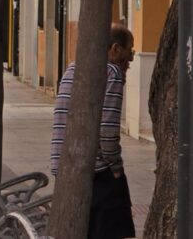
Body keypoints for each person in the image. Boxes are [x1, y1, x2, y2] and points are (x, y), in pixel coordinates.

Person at [50, 22, 136, 239]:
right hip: (97, 171)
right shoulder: (111, 72)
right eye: (130, 51)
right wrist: (116, 167)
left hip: (64, 166)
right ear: (115, 49)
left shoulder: (73, 67)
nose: (132, 59)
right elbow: (107, 130)